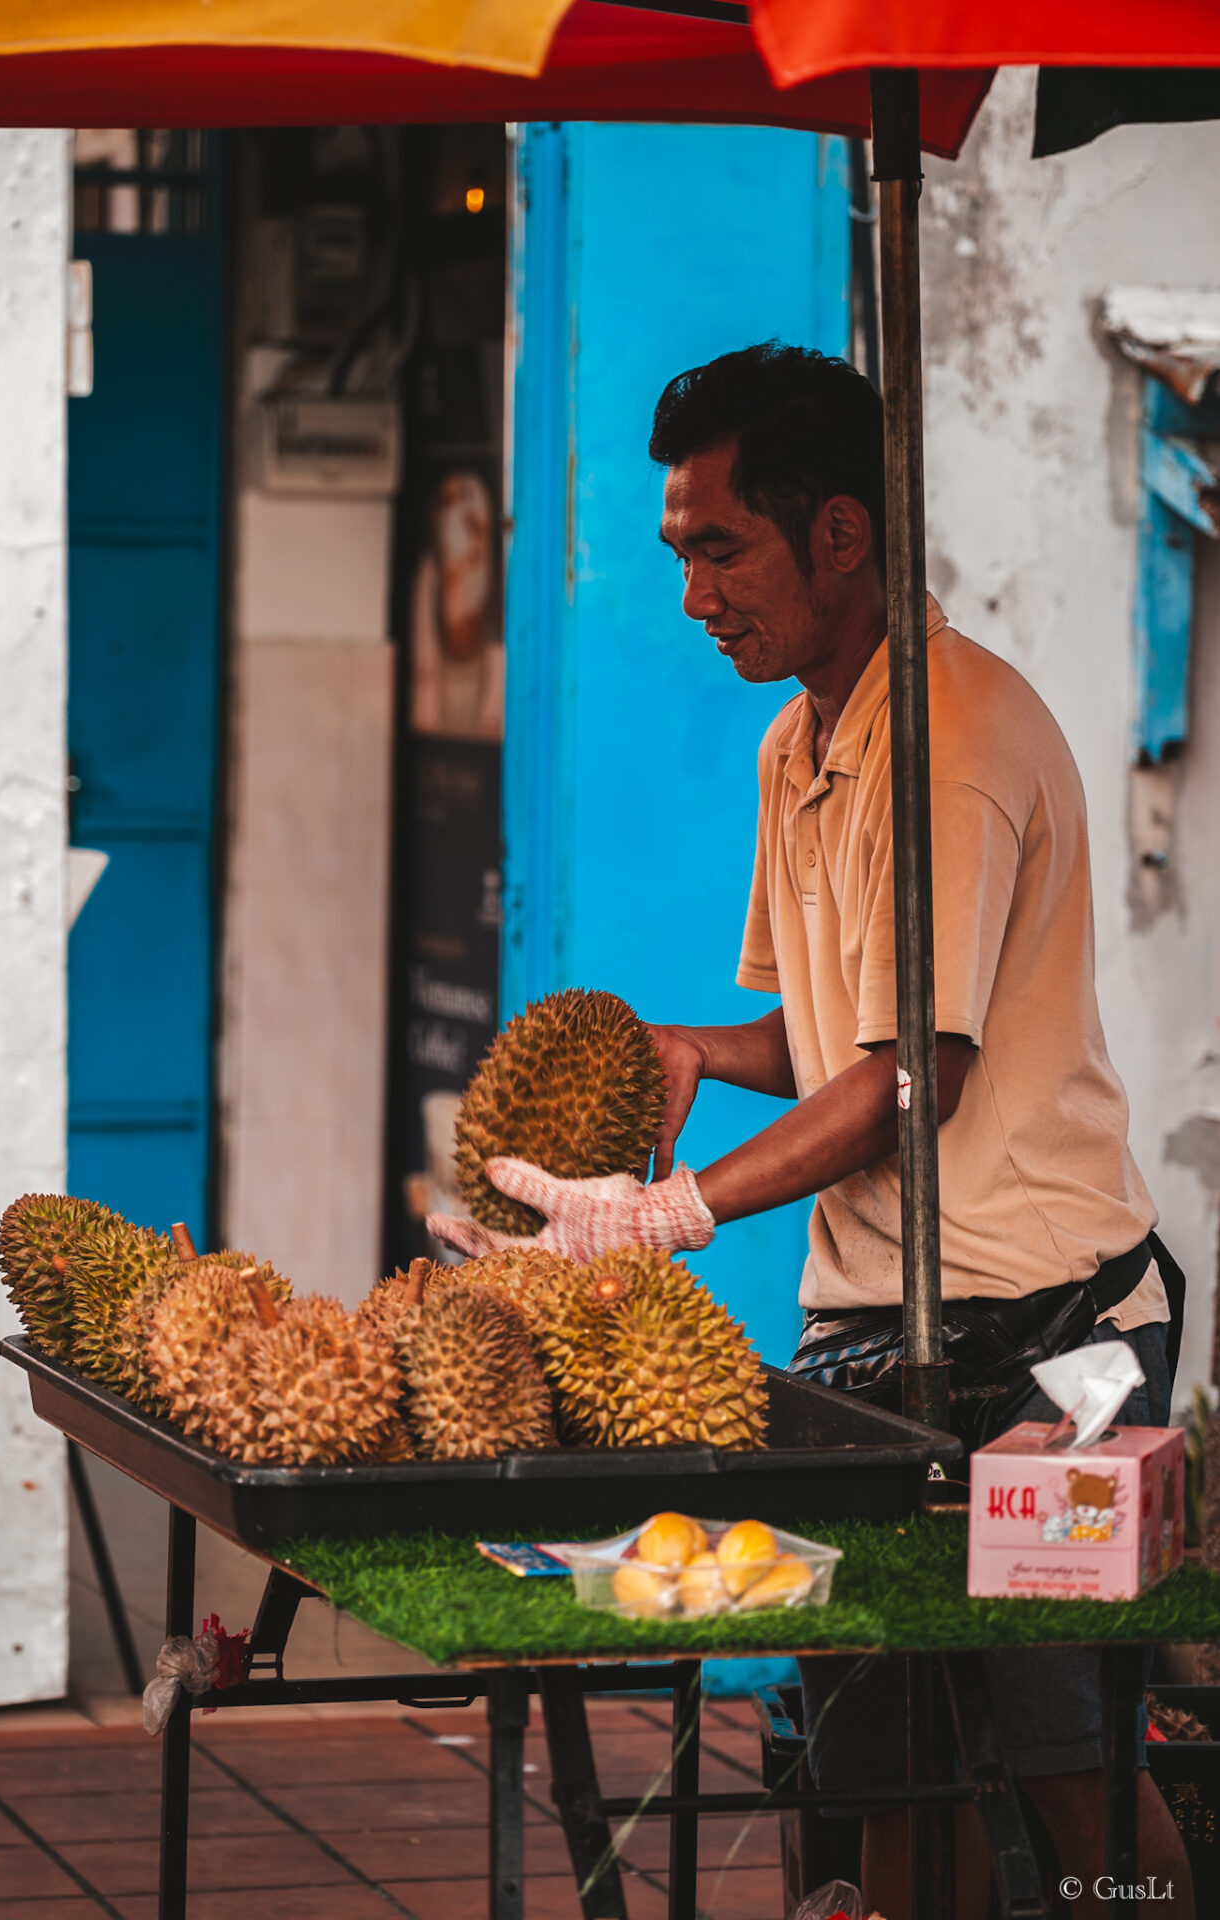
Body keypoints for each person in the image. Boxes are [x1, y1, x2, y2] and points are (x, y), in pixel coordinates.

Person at [430, 342, 1191, 1918]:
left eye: (722, 548)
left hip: (1055, 1327)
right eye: (679, 553)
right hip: (875, 1329)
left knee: (1062, 1752)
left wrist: (671, 1211)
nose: (694, 593)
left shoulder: (955, 748)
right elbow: (821, 1036)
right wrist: (692, 1050)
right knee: (866, 1747)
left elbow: (914, 1081)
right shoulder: (800, 747)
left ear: (838, 533)